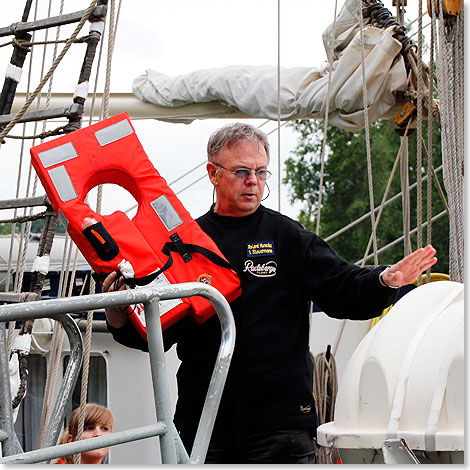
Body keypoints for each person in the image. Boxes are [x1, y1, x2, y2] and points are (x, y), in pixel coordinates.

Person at [104, 123, 437, 464]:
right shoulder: (183, 244)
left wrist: (386, 280)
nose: (254, 181)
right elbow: (157, 335)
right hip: (203, 422)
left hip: (280, 425)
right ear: (213, 173)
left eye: (261, 172)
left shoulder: (287, 237)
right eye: (242, 171)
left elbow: (342, 289)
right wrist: (116, 311)